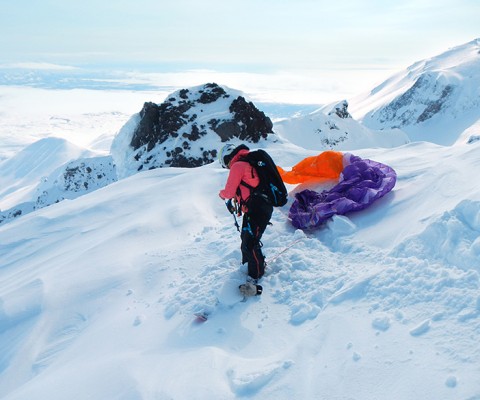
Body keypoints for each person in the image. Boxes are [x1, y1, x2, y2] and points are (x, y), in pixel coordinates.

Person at [218, 144, 273, 296]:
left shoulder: (238, 166)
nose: (227, 168)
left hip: (257, 208)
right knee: (247, 239)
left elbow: (228, 192)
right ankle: (249, 266)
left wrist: (222, 195)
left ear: (227, 158)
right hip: (257, 208)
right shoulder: (247, 163)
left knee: (250, 242)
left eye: (225, 165)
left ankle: (255, 276)